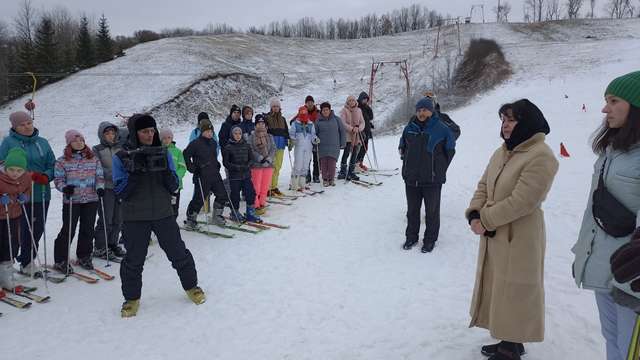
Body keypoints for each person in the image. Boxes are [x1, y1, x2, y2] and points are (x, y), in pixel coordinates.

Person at [465, 100, 558, 360]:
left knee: (516, 289)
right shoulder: (503, 152)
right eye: (503, 120)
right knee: (500, 287)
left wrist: (486, 220)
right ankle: (510, 339)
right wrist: (474, 213)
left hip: (520, 235)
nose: (505, 126)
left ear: (527, 122)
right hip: (495, 233)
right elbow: (484, 184)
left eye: (511, 120)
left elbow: (523, 201)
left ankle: (510, 348)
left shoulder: (542, 155)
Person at [572, 71, 640, 360]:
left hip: (633, 276)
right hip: (606, 267)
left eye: (613, 101)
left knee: (631, 349)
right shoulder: (613, 151)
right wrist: (583, 254)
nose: (604, 108)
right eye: (605, 100)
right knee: (613, 343)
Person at [113, 113, 204, 317]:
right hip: (135, 217)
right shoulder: (121, 156)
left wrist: (164, 172)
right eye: (145, 131)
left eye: (152, 130)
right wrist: (135, 172)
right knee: (134, 260)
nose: (150, 134)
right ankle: (131, 298)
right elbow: (120, 192)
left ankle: (192, 287)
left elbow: (173, 186)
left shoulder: (164, 152)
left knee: (178, 253)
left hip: (163, 213)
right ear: (135, 133)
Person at [0, 111, 55, 276]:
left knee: (36, 229)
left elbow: (53, 164)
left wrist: (46, 176)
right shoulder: (8, 143)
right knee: (18, 232)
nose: (26, 127)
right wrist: (22, 177)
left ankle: (27, 260)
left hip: (40, 193)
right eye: (22, 125)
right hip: (16, 195)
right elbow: (2, 166)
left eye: (28, 123)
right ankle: (8, 264)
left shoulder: (43, 142)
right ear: (15, 127)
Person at [398, 97, 456, 253]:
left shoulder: (442, 128)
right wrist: (407, 166)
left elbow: (450, 150)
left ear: (431, 110)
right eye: (419, 110)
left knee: (431, 212)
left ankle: (430, 240)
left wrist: (439, 169)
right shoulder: (410, 127)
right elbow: (402, 146)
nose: (421, 113)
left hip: (432, 180)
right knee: (412, 211)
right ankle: (411, 237)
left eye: (424, 110)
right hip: (411, 180)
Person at [53, 130, 104, 272]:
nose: (79, 142)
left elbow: (99, 176)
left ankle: (84, 255)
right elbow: (58, 180)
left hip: (91, 199)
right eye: (75, 140)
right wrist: (64, 188)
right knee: (68, 229)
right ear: (69, 143)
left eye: (81, 140)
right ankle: (61, 259)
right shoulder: (62, 161)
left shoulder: (93, 158)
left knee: (87, 228)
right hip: (72, 200)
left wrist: (100, 188)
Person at [183, 120, 229, 228]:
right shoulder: (195, 143)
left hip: (214, 174)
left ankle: (216, 216)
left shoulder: (213, 143)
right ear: (202, 132)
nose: (210, 133)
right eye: (207, 131)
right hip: (201, 175)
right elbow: (185, 154)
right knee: (199, 199)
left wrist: (216, 163)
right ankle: (191, 219)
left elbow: (213, 156)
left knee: (222, 194)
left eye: (211, 131)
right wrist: (191, 167)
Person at [92, 122, 126, 260]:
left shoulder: (120, 148)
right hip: (106, 188)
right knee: (106, 218)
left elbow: (125, 164)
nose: (110, 136)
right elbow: (97, 168)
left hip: (120, 188)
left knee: (119, 218)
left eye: (112, 133)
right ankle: (100, 246)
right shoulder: (97, 149)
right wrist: (115, 174)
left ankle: (112, 243)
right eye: (107, 133)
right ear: (102, 135)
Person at [0, 148, 31, 289]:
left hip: (14, 216)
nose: (15, 173)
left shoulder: (25, 178)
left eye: (19, 170)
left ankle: (6, 276)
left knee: (11, 244)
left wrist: (24, 197)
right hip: (1, 216)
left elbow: (27, 190)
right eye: (11, 169)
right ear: (6, 167)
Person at [223, 126, 261, 223]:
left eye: (239, 133)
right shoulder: (228, 147)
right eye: (235, 133)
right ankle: (234, 212)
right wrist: (236, 168)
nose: (238, 135)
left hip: (246, 175)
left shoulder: (246, 145)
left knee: (250, 193)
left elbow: (251, 159)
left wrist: (248, 166)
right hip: (234, 176)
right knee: (235, 195)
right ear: (232, 134)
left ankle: (250, 212)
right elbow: (226, 163)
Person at [248, 114, 276, 216]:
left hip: (268, 165)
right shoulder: (251, 137)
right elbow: (250, 149)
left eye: (262, 123)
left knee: (265, 187)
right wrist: (260, 158)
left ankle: (262, 203)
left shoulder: (269, 136)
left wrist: (269, 159)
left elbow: (273, 148)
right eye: (258, 123)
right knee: (256, 187)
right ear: (255, 126)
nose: (261, 125)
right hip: (256, 165)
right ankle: (255, 206)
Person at [314, 102, 346, 187]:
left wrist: (343, 142)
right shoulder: (318, 121)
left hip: (334, 145)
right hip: (322, 146)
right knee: (324, 163)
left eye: (327, 110)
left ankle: (331, 179)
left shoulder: (336, 119)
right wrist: (314, 142)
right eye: (323, 110)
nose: (325, 111)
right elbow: (314, 133)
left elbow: (342, 131)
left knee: (332, 163)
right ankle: (325, 179)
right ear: (321, 111)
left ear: (330, 110)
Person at [289, 107, 318, 191]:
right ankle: (294, 183)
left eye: (305, 113)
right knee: (298, 164)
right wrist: (292, 140)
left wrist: (315, 139)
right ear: (299, 113)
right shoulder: (295, 123)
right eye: (302, 113)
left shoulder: (310, 124)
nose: (303, 115)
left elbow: (313, 135)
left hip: (308, 147)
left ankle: (302, 183)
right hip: (299, 146)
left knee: (305, 165)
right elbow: (291, 134)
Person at [265, 98, 290, 197]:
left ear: (280, 108)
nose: (275, 108)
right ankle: (267, 188)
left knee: (277, 167)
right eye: (274, 106)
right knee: (270, 167)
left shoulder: (283, 119)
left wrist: (288, 140)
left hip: (280, 145)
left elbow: (286, 132)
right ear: (271, 108)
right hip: (271, 146)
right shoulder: (267, 118)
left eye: (277, 106)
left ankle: (274, 187)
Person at [160, 129, 187, 219]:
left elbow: (182, 167)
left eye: (169, 138)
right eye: (164, 138)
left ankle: (173, 223)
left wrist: (175, 177)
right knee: (163, 206)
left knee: (174, 206)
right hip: (162, 185)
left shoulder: (177, 151)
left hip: (175, 185)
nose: (166, 140)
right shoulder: (158, 151)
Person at [338, 95, 365, 181]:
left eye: (353, 100)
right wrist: (351, 128)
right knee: (346, 153)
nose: (352, 102)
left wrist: (358, 128)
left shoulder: (359, 110)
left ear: (355, 101)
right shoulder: (344, 110)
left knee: (354, 154)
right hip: (348, 136)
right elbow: (343, 123)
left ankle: (351, 171)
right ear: (347, 102)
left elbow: (362, 122)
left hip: (357, 135)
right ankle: (343, 171)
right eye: (350, 100)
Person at [297, 96, 320, 183]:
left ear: (313, 103)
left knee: (316, 157)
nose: (310, 103)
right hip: (306, 138)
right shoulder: (303, 111)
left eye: (311, 102)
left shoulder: (318, 112)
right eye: (308, 102)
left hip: (316, 137)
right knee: (307, 158)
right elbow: (294, 120)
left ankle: (316, 175)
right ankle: (307, 175)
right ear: (306, 103)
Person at [356, 92, 374, 172]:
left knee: (365, 148)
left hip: (366, 131)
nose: (365, 101)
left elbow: (369, 117)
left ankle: (360, 163)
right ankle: (356, 164)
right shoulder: (357, 107)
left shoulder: (365, 107)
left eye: (366, 100)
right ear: (360, 99)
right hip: (360, 132)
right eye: (364, 99)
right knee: (360, 148)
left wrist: (370, 124)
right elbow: (359, 120)